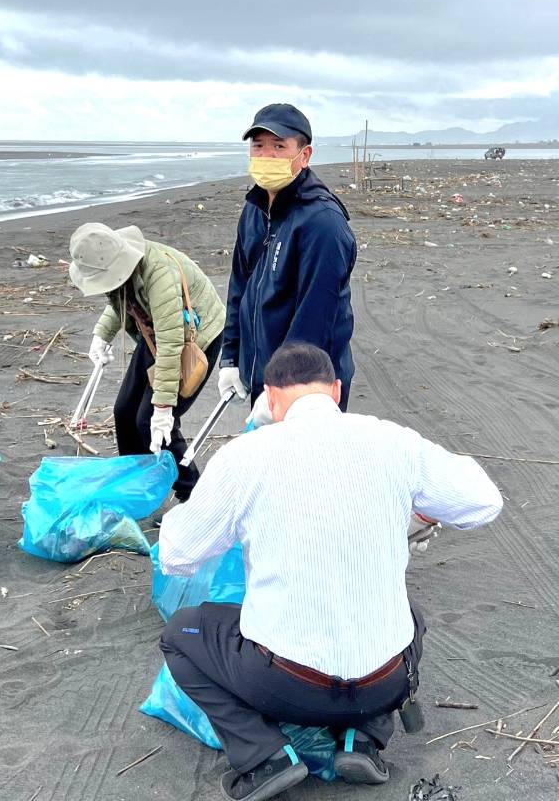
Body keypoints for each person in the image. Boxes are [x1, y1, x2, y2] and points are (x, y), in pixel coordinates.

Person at [158, 343, 502, 800]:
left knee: (182, 633)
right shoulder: (394, 441)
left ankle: (264, 758)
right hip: (385, 682)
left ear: (271, 399)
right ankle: (365, 738)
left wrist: (232, 520)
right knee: (410, 617)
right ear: (336, 391)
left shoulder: (245, 456)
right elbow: (484, 500)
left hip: (285, 686)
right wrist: (420, 517)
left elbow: (177, 556)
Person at [216, 104, 357, 426]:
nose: (267, 156)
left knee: (306, 469)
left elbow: (316, 314)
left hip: (310, 386)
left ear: (304, 156)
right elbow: (240, 286)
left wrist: (285, 386)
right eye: (259, 146)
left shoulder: (323, 223)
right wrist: (231, 357)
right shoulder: (255, 209)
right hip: (265, 372)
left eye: (279, 147)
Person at [68, 223, 226, 500]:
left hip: (193, 340)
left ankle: (194, 496)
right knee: (124, 412)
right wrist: (101, 335)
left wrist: (164, 406)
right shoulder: (121, 266)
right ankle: (138, 487)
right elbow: (122, 299)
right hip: (155, 333)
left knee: (152, 421)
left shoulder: (159, 273)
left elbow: (172, 343)